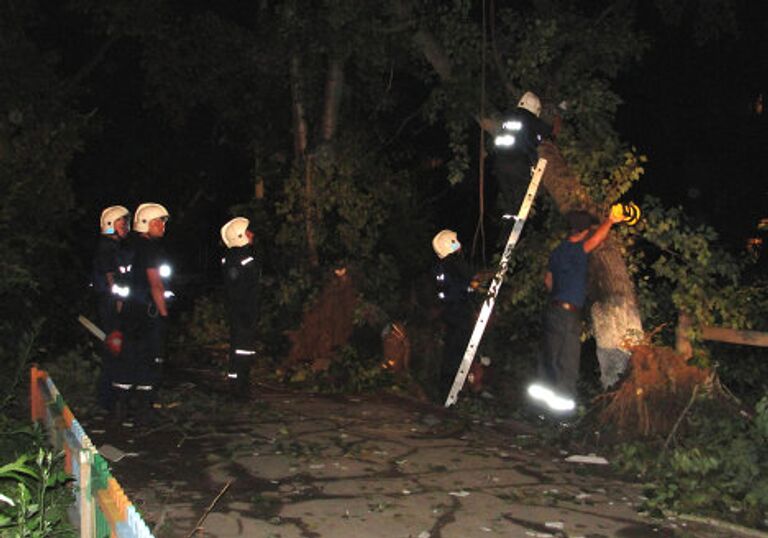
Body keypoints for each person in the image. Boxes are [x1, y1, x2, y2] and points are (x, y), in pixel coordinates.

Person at [531, 208, 624, 413]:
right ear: (583, 232)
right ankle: (562, 413)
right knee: (568, 362)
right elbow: (597, 239)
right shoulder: (577, 250)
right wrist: (610, 220)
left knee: (550, 357)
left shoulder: (557, 251)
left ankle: (540, 412)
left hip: (553, 310)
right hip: (568, 314)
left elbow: (548, 281)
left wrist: (560, 293)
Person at [112, 203, 173, 423]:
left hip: (128, 311)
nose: (163, 226)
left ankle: (121, 406)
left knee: (128, 357)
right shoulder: (150, 249)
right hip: (147, 313)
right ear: (147, 223)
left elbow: (119, 283)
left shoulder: (127, 246)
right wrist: (164, 315)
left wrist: (119, 314)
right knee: (149, 359)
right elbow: (155, 283)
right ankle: (144, 410)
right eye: (160, 221)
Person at [92, 205, 130, 411]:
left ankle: (112, 398)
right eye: (121, 222)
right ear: (109, 224)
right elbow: (112, 279)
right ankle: (108, 399)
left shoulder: (115, 248)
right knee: (113, 350)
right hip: (110, 305)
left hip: (112, 303)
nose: (125, 226)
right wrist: (119, 304)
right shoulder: (107, 248)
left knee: (116, 350)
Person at [493, 91, 554, 219]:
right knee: (521, 191)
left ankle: (510, 213)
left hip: (500, 161)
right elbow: (547, 130)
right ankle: (517, 214)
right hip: (519, 160)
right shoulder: (529, 118)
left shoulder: (508, 117)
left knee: (508, 191)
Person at [431, 229, 476, 401]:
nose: (459, 244)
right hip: (459, 311)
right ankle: (454, 393)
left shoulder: (441, 265)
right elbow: (473, 277)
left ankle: (446, 390)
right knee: (458, 351)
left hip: (449, 312)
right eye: (455, 241)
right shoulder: (454, 263)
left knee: (451, 351)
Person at [220, 217, 261, 398]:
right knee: (242, 349)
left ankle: (237, 384)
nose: (251, 235)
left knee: (239, 347)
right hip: (244, 310)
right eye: (247, 232)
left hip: (239, 309)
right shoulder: (244, 259)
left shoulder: (230, 257)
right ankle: (239, 387)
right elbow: (247, 285)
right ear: (240, 236)